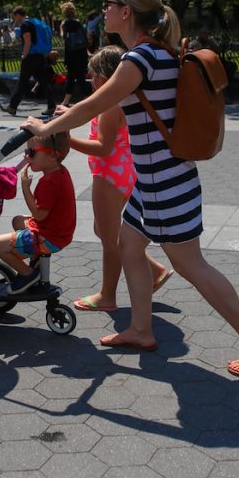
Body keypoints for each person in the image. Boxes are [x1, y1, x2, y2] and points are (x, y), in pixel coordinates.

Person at [24, 0, 239, 378]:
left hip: (165, 183)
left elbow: (97, 102)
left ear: (127, 11)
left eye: (110, 4)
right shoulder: (158, 53)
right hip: (156, 182)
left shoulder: (140, 60)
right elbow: (101, 106)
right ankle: (141, 329)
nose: (105, 10)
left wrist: (45, 128)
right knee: (128, 245)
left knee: (189, 263)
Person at [63, 45, 173, 312]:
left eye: (93, 75)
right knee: (105, 231)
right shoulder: (126, 98)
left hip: (109, 174)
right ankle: (155, 271)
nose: (90, 80)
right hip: (125, 172)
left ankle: (107, 296)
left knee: (109, 240)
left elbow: (103, 147)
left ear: (104, 76)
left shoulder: (110, 107)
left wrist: (67, 139)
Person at [0, 132, 75, 294]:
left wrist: (25, 187)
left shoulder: (49, 182)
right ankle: (35, 259)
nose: (27, 156)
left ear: (52, 156)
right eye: (26, 151)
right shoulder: (60, 172)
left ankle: (29, 274)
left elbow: (38, 215)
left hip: (50, 238)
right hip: (58, 231)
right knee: (17, 220)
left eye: (32, 152)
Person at [0, 7, 56, 117]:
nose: (14, 19)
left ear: (18, 15)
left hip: (30, 57)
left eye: (14, 16)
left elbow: (27, 40)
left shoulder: (25, 24)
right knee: (43, 82)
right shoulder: (34, 22)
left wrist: (24, 55)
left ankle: (12, 107)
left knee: (22, 83)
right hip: (39, 56)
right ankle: (51, 105)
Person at [60, 2, 89, 106]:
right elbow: (85, 38)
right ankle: (86, 99)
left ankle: (65, 102)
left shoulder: (64, 23)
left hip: (71, 54)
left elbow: (63, 38)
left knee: (71, 77)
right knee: (81, 77)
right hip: (81, 53)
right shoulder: (78, 23)